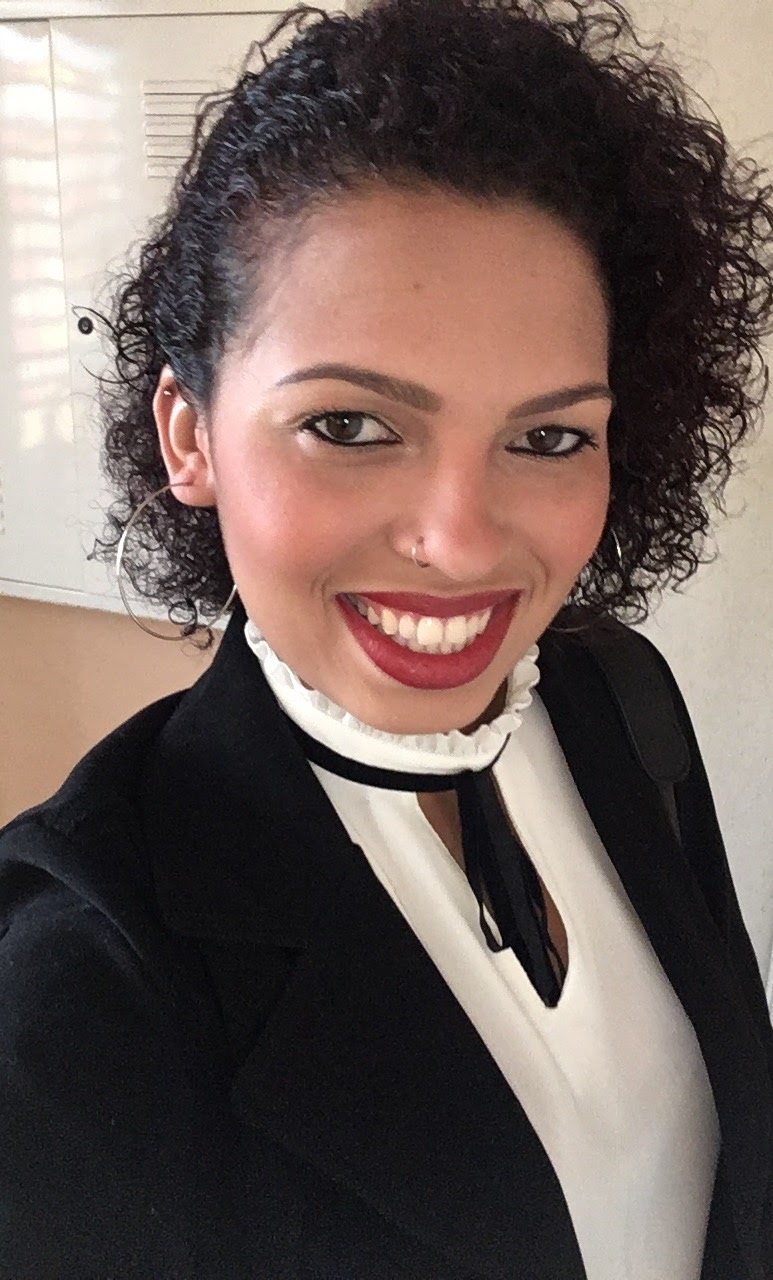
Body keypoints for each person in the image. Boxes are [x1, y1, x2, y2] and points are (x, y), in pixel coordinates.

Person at [1, 0, 771, 1275]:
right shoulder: (79, 988)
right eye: (349, 426)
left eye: (546, 436)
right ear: (189, 435)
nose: (459, 543)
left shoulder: (617, 697)